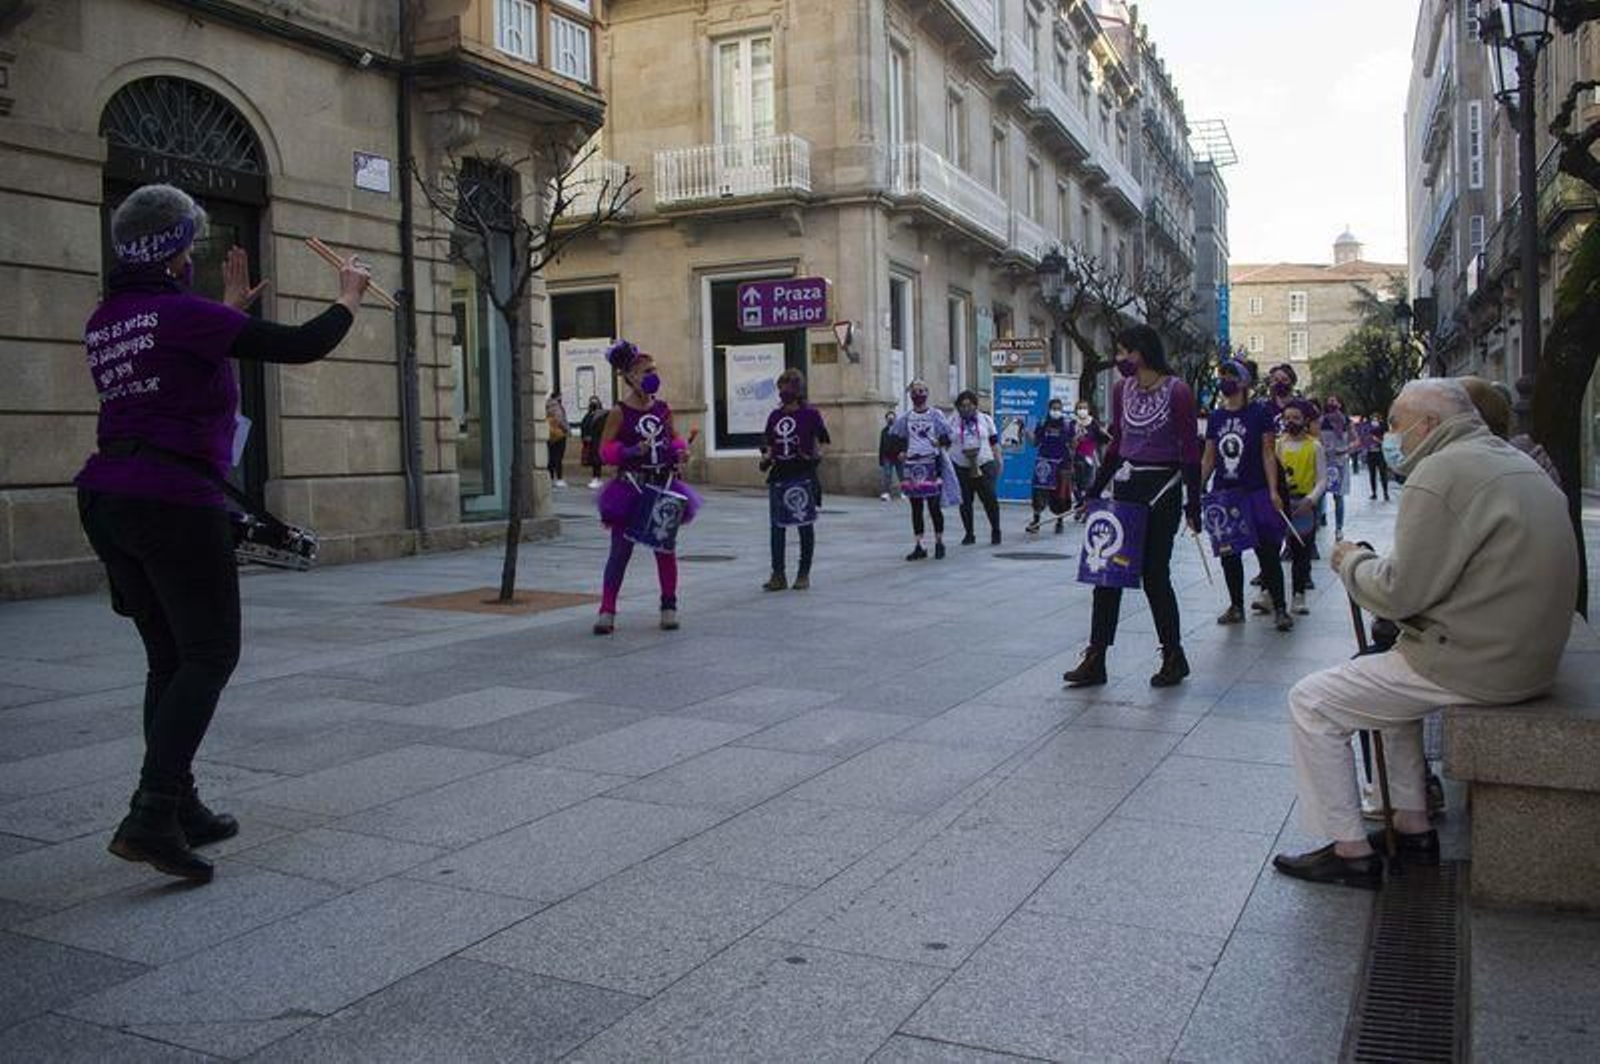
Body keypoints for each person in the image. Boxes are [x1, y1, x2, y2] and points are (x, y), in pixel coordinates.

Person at [76, 183, 371, 883]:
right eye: (190, 246)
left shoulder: (108, 318)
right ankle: (151, 815)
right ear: (176, 249)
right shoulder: (184, 315)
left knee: (168, 659)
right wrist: (349, 296)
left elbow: (170, 372)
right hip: (172, 501)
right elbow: (302, 344)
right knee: (209, 653)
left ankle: (179, 803)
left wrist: (225, 313)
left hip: (110, 496)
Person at [1273, 379, 1578, 889]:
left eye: (1396, 424)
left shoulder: (1440, 472)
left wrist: (1352, 562)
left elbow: (1399, 593)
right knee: (1385, 694)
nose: (1390, 436)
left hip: (1477, 662)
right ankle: (1412, 824)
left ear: (1429, 424)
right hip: (1525, 657)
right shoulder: (1513, 460)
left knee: (1312, 701)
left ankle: (1348, 850)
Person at [1064, 325, 1202, 689]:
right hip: (1126, 486)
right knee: (1107, 573)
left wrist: (1194, 503)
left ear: (1144, 351)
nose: (1120, 359)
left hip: (1163, 489)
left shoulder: (1178, 391)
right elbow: (1116, 444)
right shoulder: (1120, 389)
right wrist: (1095, 490)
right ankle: (1096, 657)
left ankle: (1173, 655)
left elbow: (1190, 450)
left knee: (1155, 574)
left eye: (1125, 351)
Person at [593, 340, 701, 634]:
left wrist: (680, 452)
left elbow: (673, 438)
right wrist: (629, 451)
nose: (653, 376)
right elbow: (604, 451)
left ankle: (669, 607)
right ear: (630, 376)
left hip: (661, 485)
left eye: (654, 370)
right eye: (646, 371)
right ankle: (607, 610)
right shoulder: (619, 412)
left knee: (665, 550)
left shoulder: (663, 409)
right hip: (630, 489)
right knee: (620, 552)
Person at [1201, 359, 1293, 631]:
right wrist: (1197, 488)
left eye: (1230, 375)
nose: (1224, 380)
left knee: (1267, 552)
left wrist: (1273, 490)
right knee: (1229, 554)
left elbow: (1268, 453)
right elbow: (1209, 457)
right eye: (1222, 375)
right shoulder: (1216, 417)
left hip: (1255, 491)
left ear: (1244, 382)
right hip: (1225, 493)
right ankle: (1236, 606)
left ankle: (1280, 608)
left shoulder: (1259, 413)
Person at [761, 368, 829, 591]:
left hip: (802, 474)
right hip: (779, 474)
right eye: (781, 388)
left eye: (788, 388)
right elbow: (769, 443)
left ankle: (803, 573)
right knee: (776, 526)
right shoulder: (775, 416)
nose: (784, 392)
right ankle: (778, 574)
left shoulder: (811, 414)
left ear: (798, 390)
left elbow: (823, 441)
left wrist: (815, 456)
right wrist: (766, 457)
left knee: (804, 524)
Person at [888, 380, 957, 560]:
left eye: (921, 391)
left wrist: (939, 442)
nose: (918, 395)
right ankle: (919, 545)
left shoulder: (935, 415)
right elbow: (894, 437)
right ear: (910, 395)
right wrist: (900, 452)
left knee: (934, 506)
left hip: (931, 463)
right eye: (915, 391)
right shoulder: (906, 417)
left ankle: (939, 542)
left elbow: (948, 436)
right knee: (916, 507)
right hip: (913, 464)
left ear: (927, 392)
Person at [1276, 399, 1326, 615]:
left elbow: (1322, 480)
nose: (1291, 422)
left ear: (1305, 420)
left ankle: (1298, 595)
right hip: (1280, 505)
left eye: (1296, 418)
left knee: (1301, 553)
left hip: (1304, 505)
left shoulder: (1315, 446)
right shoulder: (1278, 444)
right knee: (1272, 550)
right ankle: (1270, 593)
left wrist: (1311, 500)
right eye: (1287, 417)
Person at [950, 389, 1003, 546]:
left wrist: (999, 460)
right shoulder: (952, 420)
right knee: (965, 501)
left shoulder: (985, 419)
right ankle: (969, 533)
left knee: (990, 498)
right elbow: (946, 441)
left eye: (970, 405)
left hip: (984, 463)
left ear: (975, 405)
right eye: (963, 405)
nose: (966, 408)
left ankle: (996, 530)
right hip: (961, 465)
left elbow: (994, 442)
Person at [1026, 396, 1073, 535]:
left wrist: (1077, 441)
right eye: (1053, 408)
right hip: (1044, 462)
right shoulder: (1042, 423)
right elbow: (1035, 443)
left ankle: (1060, 522)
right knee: (1038, 492)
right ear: (1049, 409)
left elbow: (1072, 445)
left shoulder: (1067, 425)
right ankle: (1036, 521)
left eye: (1059, 409)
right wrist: (1028, 435)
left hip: (1062, 463)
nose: (1056, 411)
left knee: (1060, 494)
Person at [1318, 394, 1354, 540]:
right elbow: (1315, 438)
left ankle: (1339, 528)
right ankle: (1317, 522)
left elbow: (1357, 440)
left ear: (1340, 404)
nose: (1331, 403)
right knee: (1319, 494)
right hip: (1324, 462)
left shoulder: (1346, 421)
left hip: (1340, 463)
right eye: (1329, 401)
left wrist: (1346, 449)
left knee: (1338, 497)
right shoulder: (1321, 420)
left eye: (1334, 401)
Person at [1071, 399, 1109, 519]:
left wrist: (1104, 433)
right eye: (1079, 408)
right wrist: (1075, 439)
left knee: (1089, 485)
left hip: (1089, 457)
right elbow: (1069, 441)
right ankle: (1080, 505)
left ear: (1088, 410)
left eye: (1084, 408)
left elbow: (1103, 439)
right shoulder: (1072, 423)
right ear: (1076, 410)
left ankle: (1086, 510)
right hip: (1075, 457)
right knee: (1075, 485)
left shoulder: (1093, 423)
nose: (1082, 410)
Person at [579, 395, 607, 488]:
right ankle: (596, 478)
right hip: (590, 442)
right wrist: (585, 436)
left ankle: (596, 478)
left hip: (598, 441)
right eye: (591, 402)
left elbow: (603, 428)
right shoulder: (588, 415)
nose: (593, 404)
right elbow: (583, 426)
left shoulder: (602, 415)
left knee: (597, 460)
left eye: (595, 402)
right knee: (593, 460)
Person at [1362, 414, 1392, 501]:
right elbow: (1364, 439)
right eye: (1373, 418)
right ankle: (1374, 493)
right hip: (1371, 454)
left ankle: (1385, 493)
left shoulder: (1383, 428)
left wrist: (1377, 440)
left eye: (1376, 418)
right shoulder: (1367, 429)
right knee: (1372, 475)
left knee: (1383, 474)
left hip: (1380, 454)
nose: (1374, 420)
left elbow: (1386, 441)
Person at [877, 410, 902, 502]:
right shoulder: (884, 431)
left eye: (892, 418)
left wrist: (903, 452)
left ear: (895, 419)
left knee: (902, 475)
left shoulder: (899, 430)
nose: (890, 420)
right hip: (887, 456)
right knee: (887, 475)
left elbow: (903, 441)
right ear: (886, 420)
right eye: (889, 418)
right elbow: (882, 445)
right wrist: (881, 459)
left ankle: (905, 492)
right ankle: (886, 493)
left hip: (898, 456)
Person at [545, 394, 569, 487]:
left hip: (549, 435)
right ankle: (559, 479)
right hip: (559, 435)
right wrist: (567, 430)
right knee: (558, 458)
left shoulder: (546, 406)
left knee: (550, 457)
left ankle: (550, 478)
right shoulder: (557, 407)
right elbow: (560, 420)